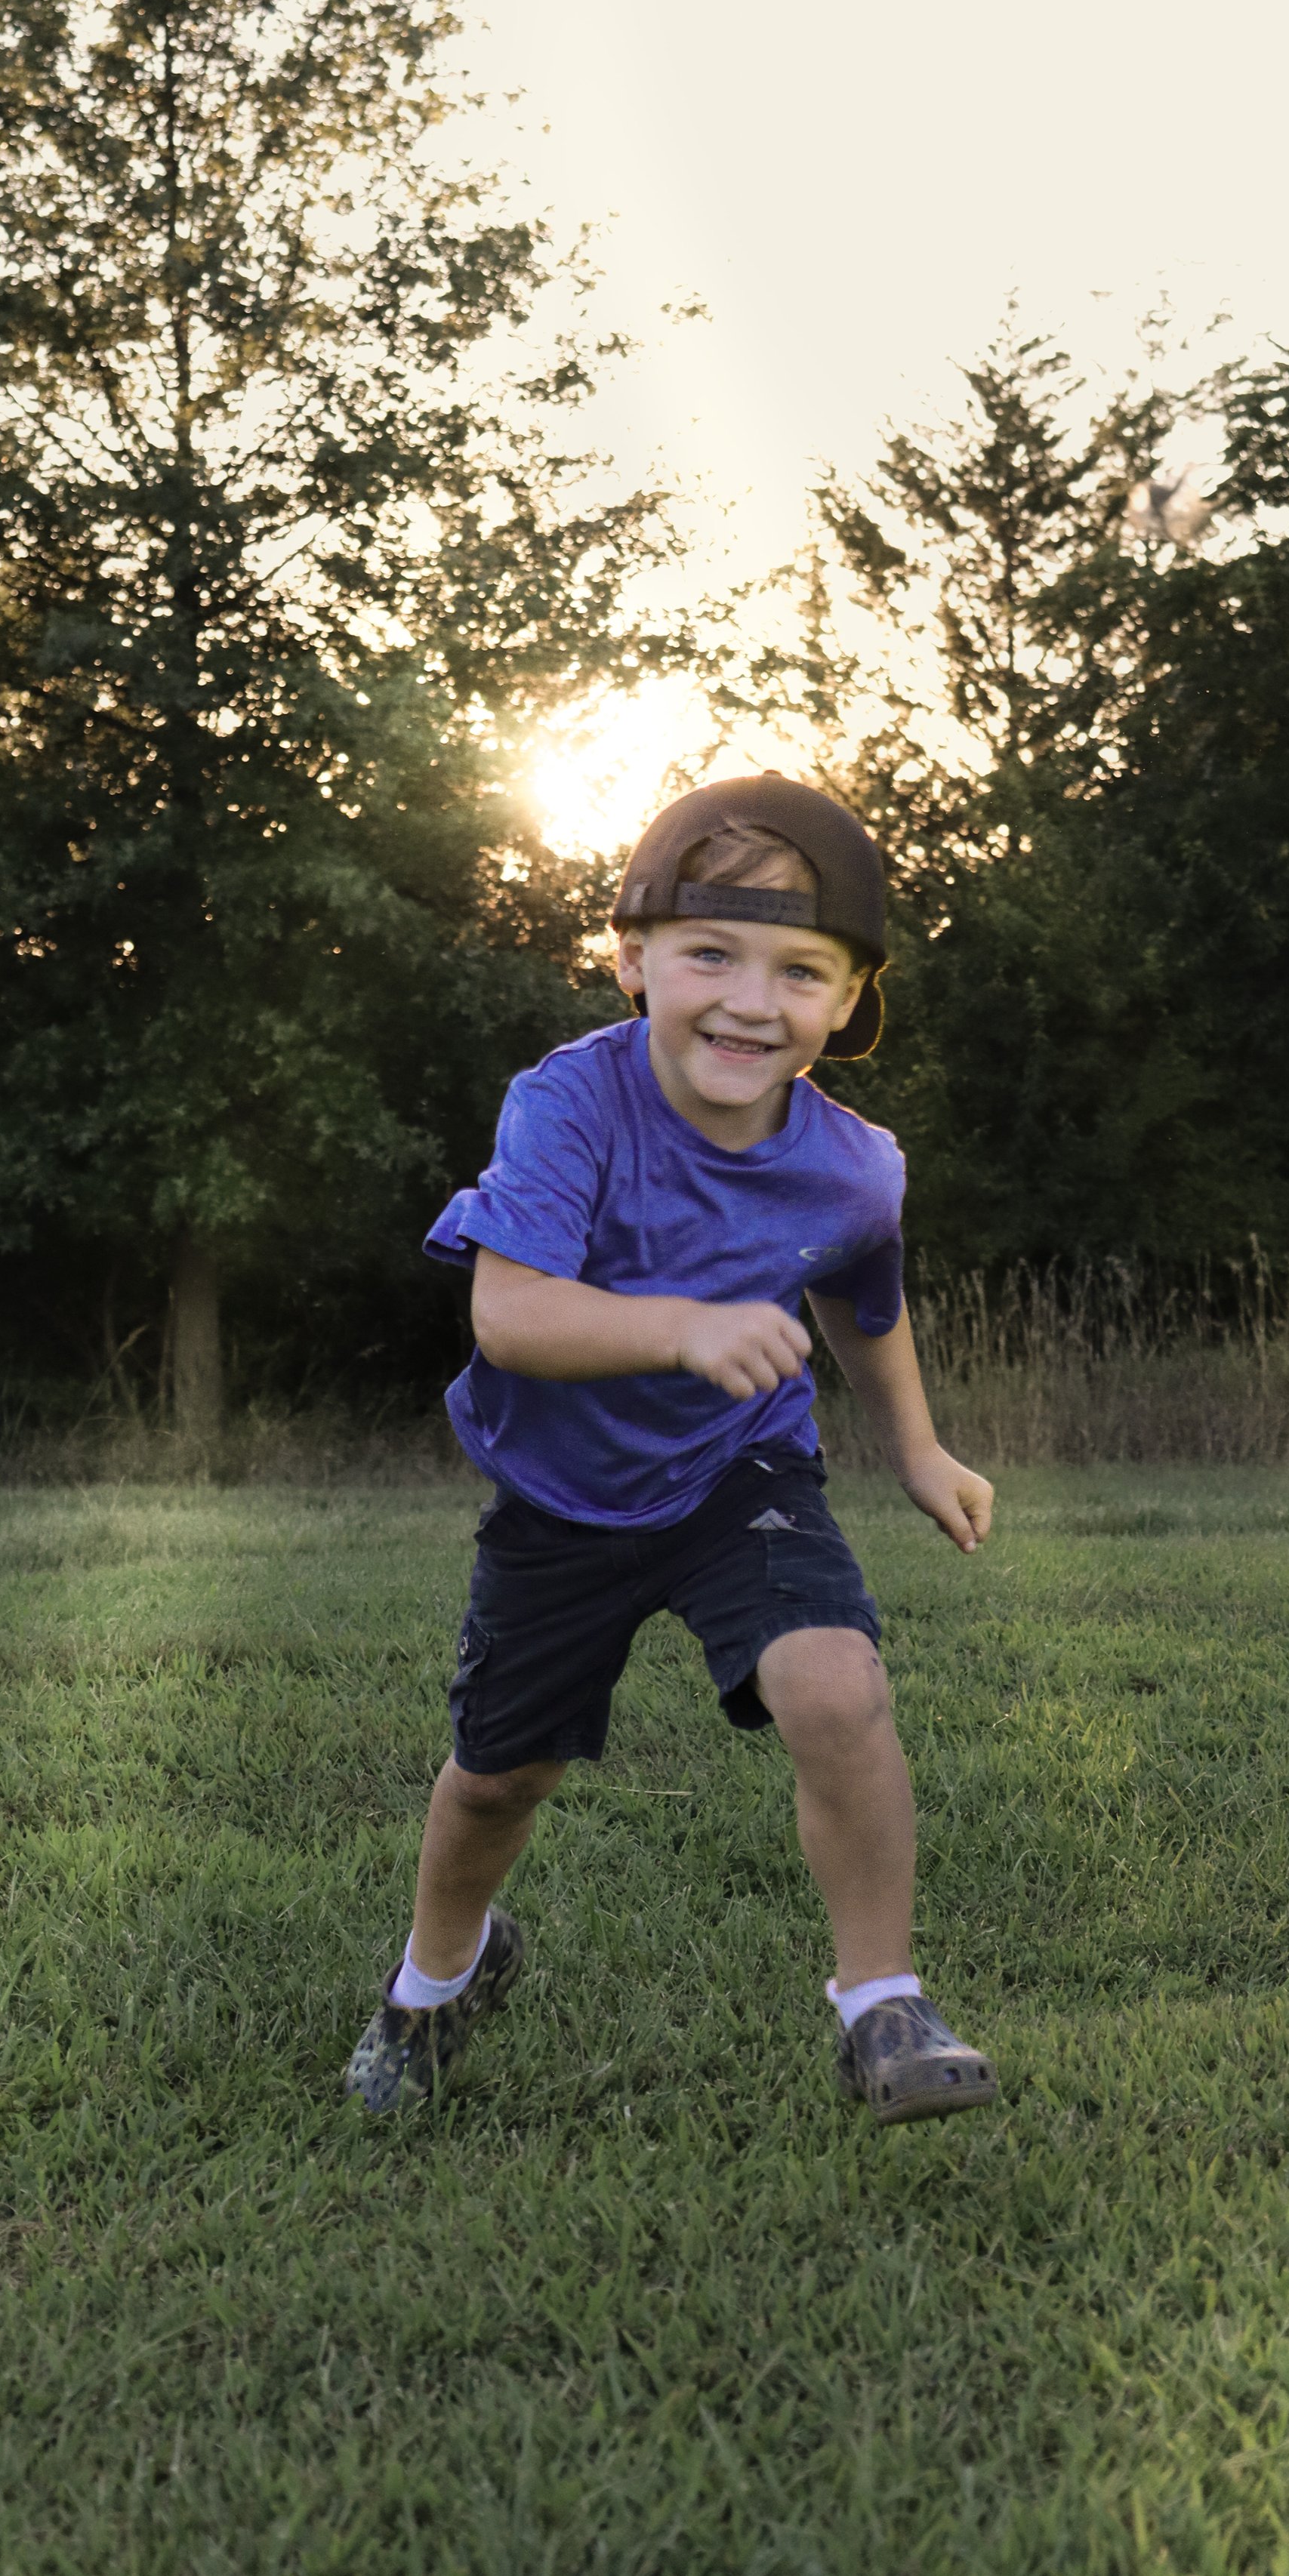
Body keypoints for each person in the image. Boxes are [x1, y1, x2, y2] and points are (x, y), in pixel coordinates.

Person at [344, 772, 998, 2125]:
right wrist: (683, 1328)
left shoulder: (856, 1164)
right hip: (560, 1491)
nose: (753, 1002)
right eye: (711, 954)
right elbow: (509, 1312)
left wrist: (921, 1452)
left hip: (739, 1469)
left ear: (847, 1001)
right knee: (497, 1779)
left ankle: (882, 2003)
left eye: (800, 972)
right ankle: (434, 1982)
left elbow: (860, 1302)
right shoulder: (569, 1104)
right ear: (632, 960)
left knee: (836, 1685)